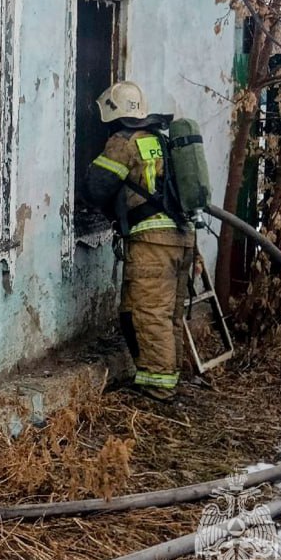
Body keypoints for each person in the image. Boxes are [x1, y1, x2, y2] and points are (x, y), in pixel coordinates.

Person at [85, 81, 195, 402]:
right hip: (181, 236)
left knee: (149, 313)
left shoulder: (123, 142)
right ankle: (165, 376)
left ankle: (158, 387)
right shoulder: (160, 140)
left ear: (113, 115)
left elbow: (96, 187)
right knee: (166, 314)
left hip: (153, 242)